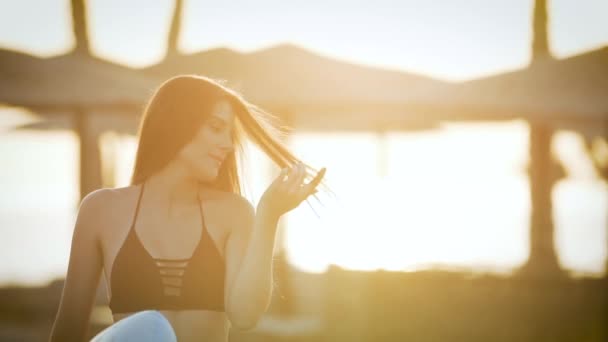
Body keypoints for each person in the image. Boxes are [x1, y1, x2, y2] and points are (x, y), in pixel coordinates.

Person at [49, 75, 327, 342]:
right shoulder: (100, 210)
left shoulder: (234, 212)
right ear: (177, 124)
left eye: (230, 134)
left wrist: (269, 214)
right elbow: (68, 330)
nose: (228, 145)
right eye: (216, 128)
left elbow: (245, 316)